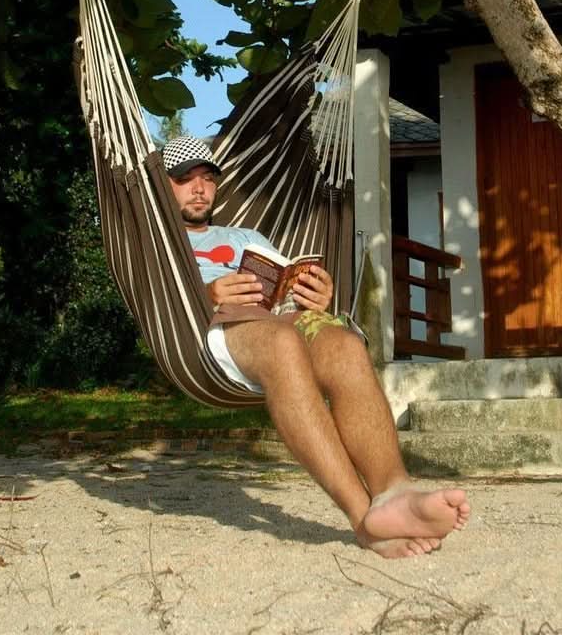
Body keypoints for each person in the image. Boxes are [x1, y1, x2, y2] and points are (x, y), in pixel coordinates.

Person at [161, 136, 470, 559]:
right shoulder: (160, 247)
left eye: (207, 179)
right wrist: (208, 291)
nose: (199, 188)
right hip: (218, 326)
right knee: (284, 342)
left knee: (345, 344)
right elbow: (159, 299)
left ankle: (394, 494)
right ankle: (365, 519)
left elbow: (286, 278)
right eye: (184, 179)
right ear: (164, 186)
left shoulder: (245, 235)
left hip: (282, 316)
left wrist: (315, 293)